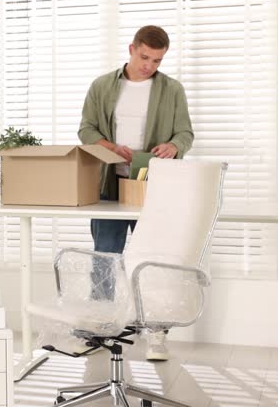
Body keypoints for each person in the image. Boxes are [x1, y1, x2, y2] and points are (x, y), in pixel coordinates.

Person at [78, 25, 194, 361]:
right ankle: (101, 327)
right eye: (145, 57)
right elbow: (86, 128)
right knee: (105, 257)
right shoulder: (102, 86)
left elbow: (185, 133)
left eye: (157, 61)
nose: (149, 66)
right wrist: (111, 147)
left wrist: (173, 145)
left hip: (154, 187)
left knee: (153, 259)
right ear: (132, 49)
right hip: (109, 186)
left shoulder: (172, 90)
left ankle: (156, 333)